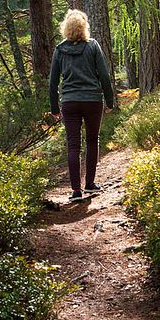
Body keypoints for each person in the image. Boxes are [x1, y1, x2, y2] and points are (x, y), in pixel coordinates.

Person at [49, 10, 115, 201]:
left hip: (69, 102)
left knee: (73, 146)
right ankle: (90, 184)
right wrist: (110, 102)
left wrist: (54, 108)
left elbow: (53, 83)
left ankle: (76, 191)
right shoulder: (92, 46)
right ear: (84, 27)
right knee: (92, 140)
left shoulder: (59, 50)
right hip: (93, 100)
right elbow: (104, 75)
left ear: (66, 28)